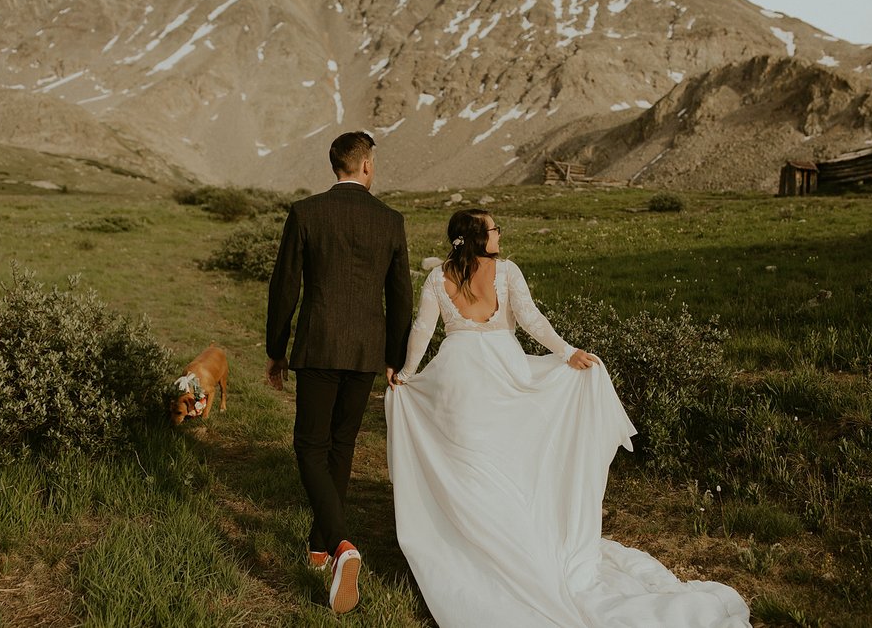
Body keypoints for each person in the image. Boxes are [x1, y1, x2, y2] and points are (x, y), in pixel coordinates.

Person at [384, 209, 750, 627]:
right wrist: (566, 352)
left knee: (472, 468)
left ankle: (479, 545)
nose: (500, 233)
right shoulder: (506, 272)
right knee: (509, 463)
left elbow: (421, 331)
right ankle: (519, 545)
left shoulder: (438, 278)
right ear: (478, 237)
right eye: (494, 228)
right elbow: (532, 319)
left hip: (458, 379)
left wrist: (408, 374)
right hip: (505, 374)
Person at [266, 131, 412, 614]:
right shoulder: (390, 221)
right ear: (366, 165)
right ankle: (319, 546)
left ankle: (342, 545)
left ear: (337, 167)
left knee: (309, 446)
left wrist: (276, 348)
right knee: (341, 445)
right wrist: (395, 356)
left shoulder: (306, 213)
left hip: (318, 344)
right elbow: (400, 297)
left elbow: (284, 286)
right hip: (367, 350)